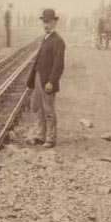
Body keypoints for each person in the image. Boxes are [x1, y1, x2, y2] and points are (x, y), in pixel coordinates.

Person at [26, 8, 65, 148]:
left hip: (47, 80)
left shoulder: (58, 41)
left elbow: (58, 65)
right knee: (37, 107)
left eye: (48, 22)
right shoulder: (45, 39)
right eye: (44, 22)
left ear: (54, 22)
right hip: (38, 77)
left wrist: (52, 81)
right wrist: (33, 78)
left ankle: (50, 138)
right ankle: (39, 135)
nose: (46, 25)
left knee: (48, 109)